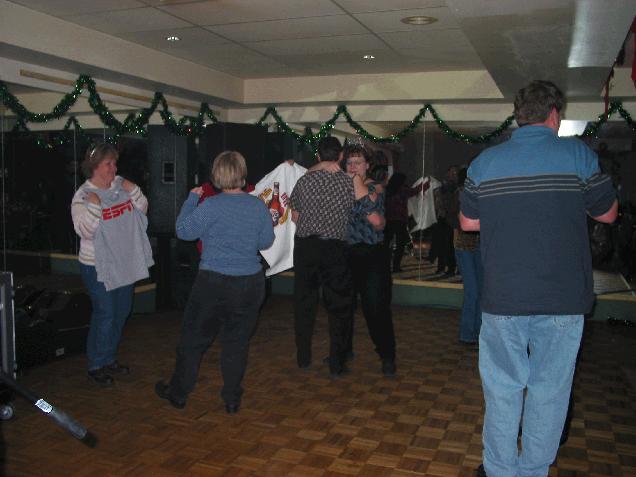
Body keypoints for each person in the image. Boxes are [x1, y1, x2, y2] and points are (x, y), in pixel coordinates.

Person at [460, 80, 618, 477]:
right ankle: (533, 471)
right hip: (563, 299)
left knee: (502, 391)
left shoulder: (485, 162)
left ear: (518, 116)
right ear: (554, 114)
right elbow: (608, 214)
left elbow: (468, 222)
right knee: (549, 392)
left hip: (503, 297)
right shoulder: (577, 155)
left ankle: (499, 471)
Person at [155, 151, 274, 414]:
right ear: (242, 173)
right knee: (236, 342)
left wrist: (191, 200)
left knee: (193, 340)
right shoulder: (257, 206)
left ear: (216, 175)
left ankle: (178, 394)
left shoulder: (210, 206)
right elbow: (266, 242)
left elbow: (184, 232)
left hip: (213, 282)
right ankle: (231, 399)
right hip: (249, 283)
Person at [71, 143, 152, 387]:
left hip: (124, 261)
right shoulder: (83, 196)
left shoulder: (120, 185)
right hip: (97, 265)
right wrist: (96, 205)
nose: (114, 168)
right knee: (105, 313)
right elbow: (85, 231)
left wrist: (134, 189)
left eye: (114, 163)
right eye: (109, 164)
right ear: (94, 167)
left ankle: (108, 358)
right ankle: (96, 364)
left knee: (121, 312)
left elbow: (142, 210)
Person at [289, 137, 355, 378]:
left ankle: (303, 357)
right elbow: (351, 213)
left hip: (306, 247)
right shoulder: (347, 182)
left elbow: (295, 217)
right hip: (335, 248)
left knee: (304, 303)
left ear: (317, 156)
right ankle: (337, 364)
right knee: (338, 307)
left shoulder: (304, 181)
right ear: (341, 156)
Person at [342, 144, 397, 376]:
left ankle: (387, 355)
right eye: (349, 162)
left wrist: (355, 180)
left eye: (358, 162)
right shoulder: (341, 186)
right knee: (343, 307)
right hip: (346, 252)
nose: (353, 166)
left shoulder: (376, 186)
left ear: (367, 165)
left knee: (375, 308)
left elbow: (377, 222)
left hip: (372, 255)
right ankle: (342, 352)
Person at [454, 167, 482, 344]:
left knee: (480, 290)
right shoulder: (460, 194)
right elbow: (458, 221)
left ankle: (477, 331)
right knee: (473, 291)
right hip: (464, 245)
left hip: (479, 245)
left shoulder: (478, 193)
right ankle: (467, 333)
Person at [384, 173, 429, 273]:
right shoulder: (402, 190)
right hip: (400, 221)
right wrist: (425, 184)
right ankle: (396, 266)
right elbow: (415, 191)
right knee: (400, 244)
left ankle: (385, 265)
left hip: (388, 220)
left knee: (386, 244)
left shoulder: (387, 190)